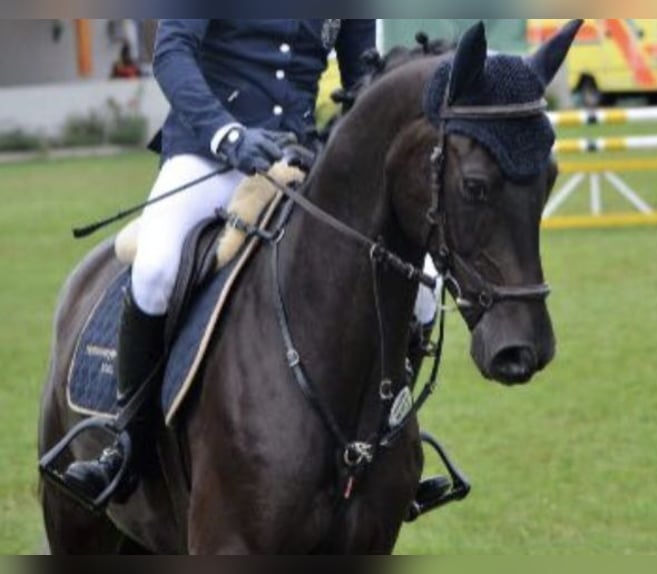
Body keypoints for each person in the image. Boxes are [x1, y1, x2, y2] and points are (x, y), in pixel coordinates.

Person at [63, 19, 441, 501]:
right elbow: (172, 52)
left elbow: (360, 77)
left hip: (302, 157)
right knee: (156, 268)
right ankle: (128, 443)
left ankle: (388, 438)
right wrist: (227, 134)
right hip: (210, 153)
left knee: (422, 285)